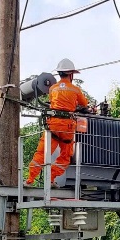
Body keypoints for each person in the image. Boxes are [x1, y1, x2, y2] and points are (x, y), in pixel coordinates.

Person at [26, 58, 91, 186]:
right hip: (66, 127)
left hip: (52, 125)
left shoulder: (53, 88)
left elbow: (54, 104)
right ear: (71, 74)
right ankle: (51, 177)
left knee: (42, 152)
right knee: (66, 155)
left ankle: (30, 179)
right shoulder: (75, 89)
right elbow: (84, 104)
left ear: (59, 73)